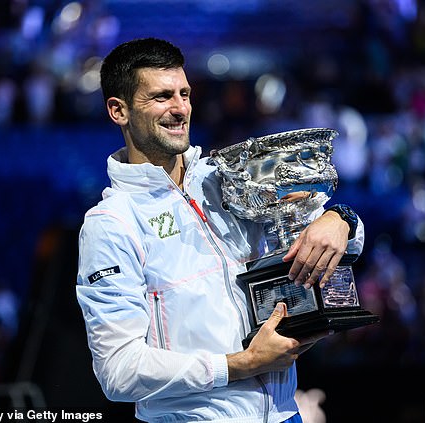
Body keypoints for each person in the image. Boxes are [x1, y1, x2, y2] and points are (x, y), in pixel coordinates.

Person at [76, 38, 365, 423]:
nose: (180, 109)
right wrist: (240, 364)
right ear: (119, 110)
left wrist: (339, 220)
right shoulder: (111, 224)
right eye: (161, 97)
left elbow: (329, 239)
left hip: (284, 414)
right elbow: (119, 371)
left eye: (184, 93)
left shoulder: (230, 177)